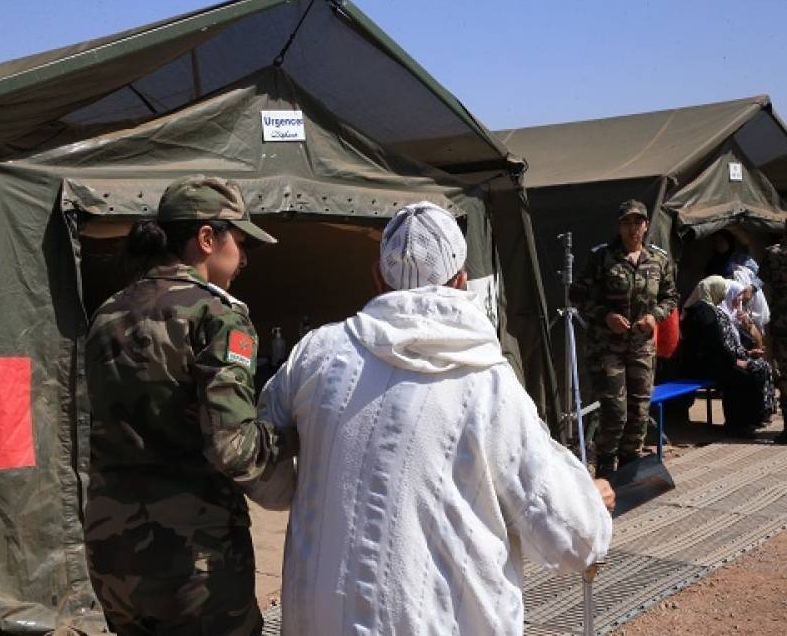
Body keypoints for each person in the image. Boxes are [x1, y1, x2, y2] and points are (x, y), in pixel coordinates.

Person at [255, 201, 614, 636]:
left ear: (377, 277)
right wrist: (591, 505)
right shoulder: (486, 381)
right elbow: (573, 538)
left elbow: (265, 479)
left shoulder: (314, 356)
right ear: (461, 281)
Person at [83, 175, 298, 635]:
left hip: (111, 551)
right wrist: (295, 436)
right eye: (241, 243)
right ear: (206, 239)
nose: (243, 258)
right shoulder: (218, 315)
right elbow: (232, 447)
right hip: (192, 560)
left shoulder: (108, 313)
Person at [571, 199, 678, 477]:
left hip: (642, 347)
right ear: (619, 227)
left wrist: (655, 315)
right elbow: (578, 295)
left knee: (639, 412)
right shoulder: (602, 258)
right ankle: (606, 469)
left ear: (646, 226)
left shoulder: (658, 259)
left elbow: (670, 296)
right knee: (615, 412)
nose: (633, 228)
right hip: (607, 348)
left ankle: (630, 469)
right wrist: (605, 315)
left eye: (638, 222)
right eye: (627, 222)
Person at [680, 276, 773, 436]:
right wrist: (735, 361)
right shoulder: (704, 313)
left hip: (719, 361)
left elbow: (725, 345)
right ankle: (739, 424)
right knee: (746, 374)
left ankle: (753, 419)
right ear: (713, 290)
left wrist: (746, 355)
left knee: (759, 367)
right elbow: (715, 345)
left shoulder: (710, 309)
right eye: (722, 291)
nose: (724, 295)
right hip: (709, 365)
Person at [761, 226, 787, 444]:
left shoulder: (772, 253)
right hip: (780, 324)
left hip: (781, 323)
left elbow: (763, 284)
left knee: (784, 375)